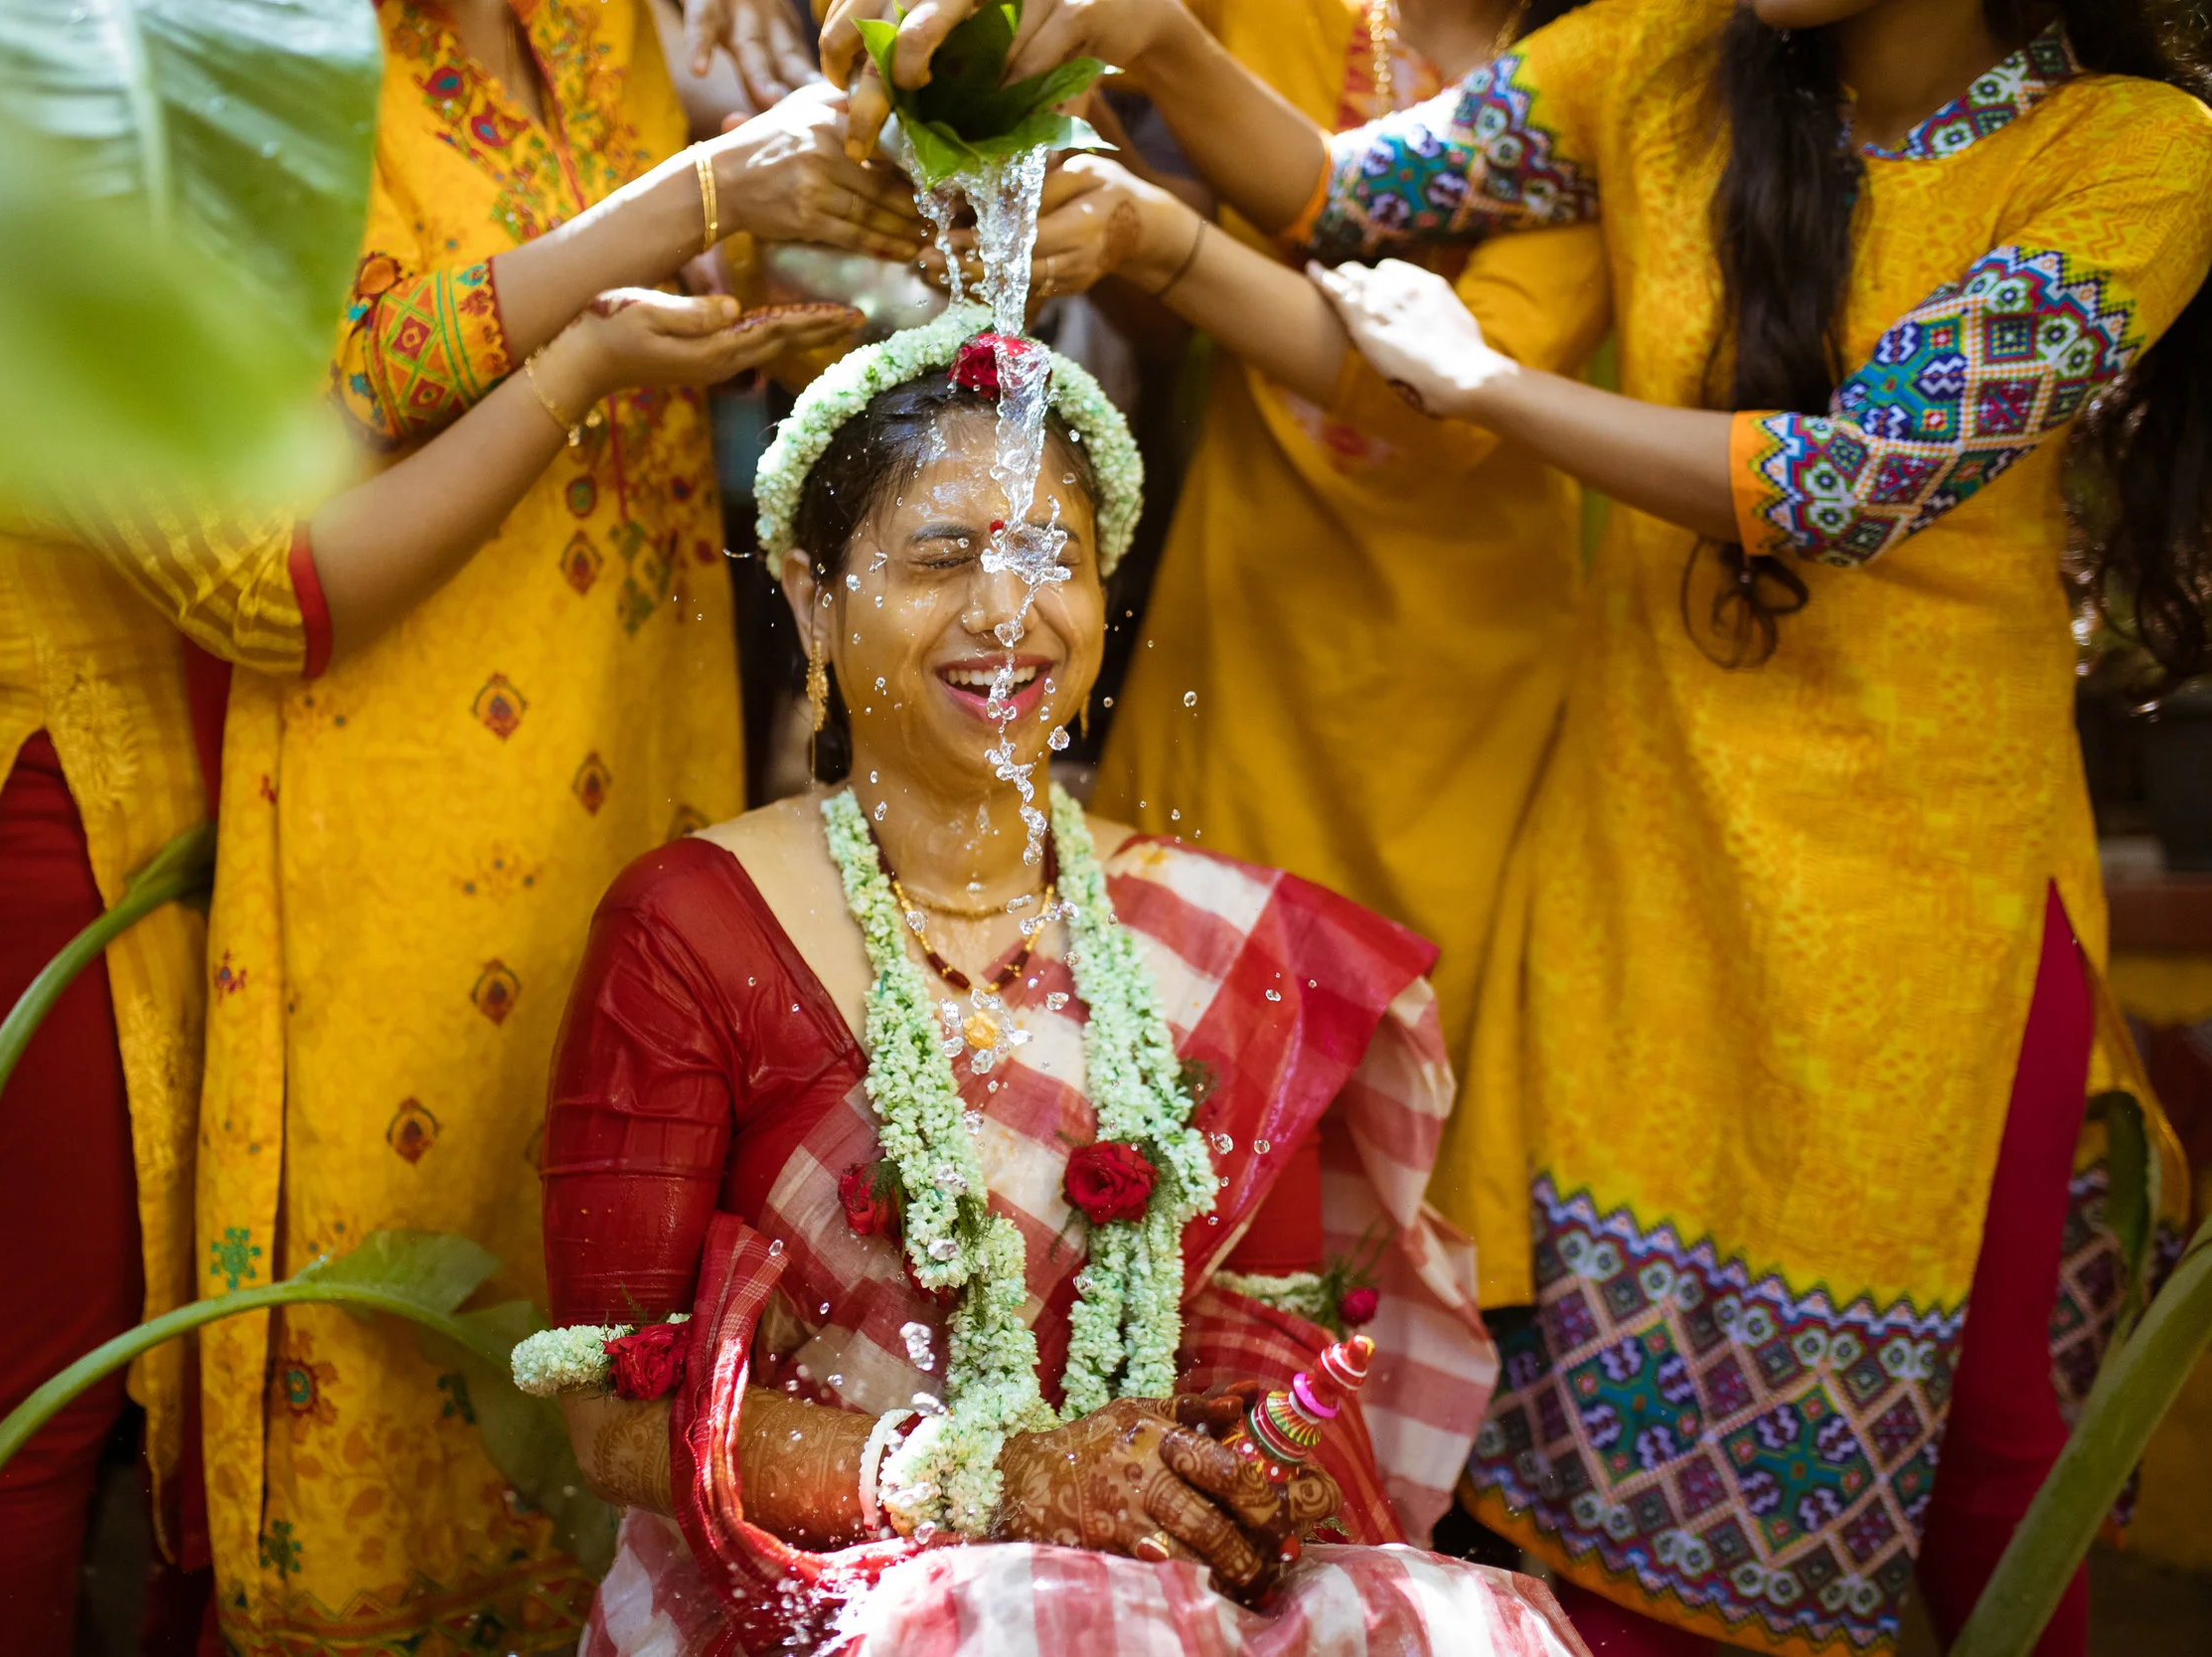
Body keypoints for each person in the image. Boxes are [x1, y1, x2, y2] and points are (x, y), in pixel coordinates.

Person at [830, 0, 2212, 1651]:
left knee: (1987, 1459)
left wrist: (1480, 381)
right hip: (1649, 838)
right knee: (1575, 1465)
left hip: (1934, 876)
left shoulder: (2141, 153)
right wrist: (1167, 50)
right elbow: (1349, 193)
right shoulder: (1655, 54)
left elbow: (1859, 475)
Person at [0, 280, 837, 1655]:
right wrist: (594, 332)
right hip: (22, 775)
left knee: (181, 1399)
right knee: (18, 1408)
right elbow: (261, 582)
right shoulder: (26, 112)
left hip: (237, 774)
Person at [520, 310, 1586, 1656]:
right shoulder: (690, 924)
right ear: (809, 596)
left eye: (1050, 558)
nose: (1007, 610)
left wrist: (1256, 1468)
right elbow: (610, 1415)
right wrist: (1004, 1482)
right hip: (810, 1578)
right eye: (943, 556)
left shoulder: (1214, 935)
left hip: (1141, 1574)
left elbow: (1265, 1337)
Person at [189, 1, 921, 1648]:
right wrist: (691, 208)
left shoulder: (607, 29)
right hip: (408, 751)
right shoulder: (276, 47)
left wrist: (788, 285)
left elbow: (654, 294)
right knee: (411, 1233)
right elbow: (320, 394)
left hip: (637, 711)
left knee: (616, 1219)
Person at [1086, 0, 1606, 1069]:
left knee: (1396, 1097)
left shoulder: (1603, 58)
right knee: (1153, 1078)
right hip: (1235, 618)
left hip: (1449, 685)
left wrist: (1148, 228)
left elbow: (1451, 404)